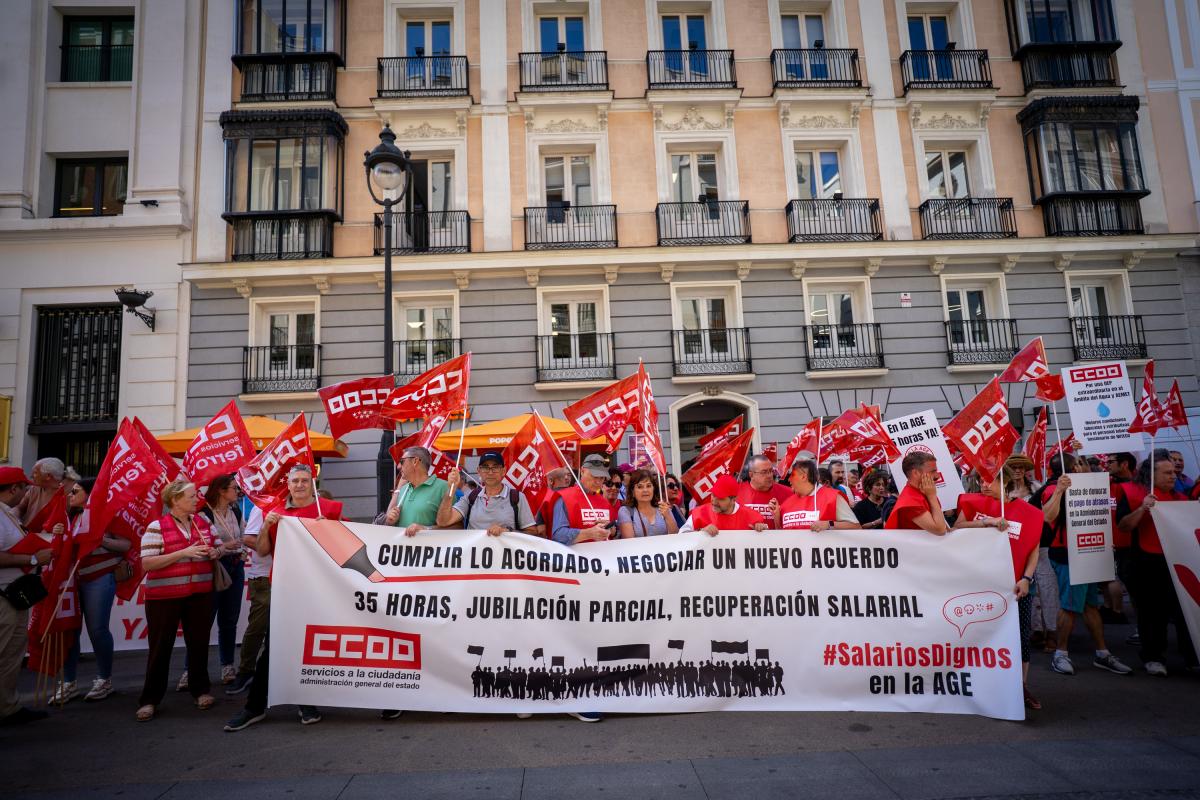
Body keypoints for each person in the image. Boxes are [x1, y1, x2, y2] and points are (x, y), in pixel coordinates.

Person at [225, 464, 341, 731]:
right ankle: (255, 706)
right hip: (286, 588)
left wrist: (330, 529)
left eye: (304, 481)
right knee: (274, 647)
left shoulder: (329, 509)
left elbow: (344, 545)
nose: (299, 485)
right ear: (287, 485)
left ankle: (305, 702)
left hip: (319, 589)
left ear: (313, 483)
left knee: (310, 647)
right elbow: (262, 550)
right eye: (295, 481)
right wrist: (266, 526)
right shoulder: (275, 512)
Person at [953, 466, 1044, 710]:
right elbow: (956, 528)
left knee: (1020, 636)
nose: (983, 485)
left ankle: (1020, 686)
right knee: (978, 636)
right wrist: (988, 522)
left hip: (1015, 587)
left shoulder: (1030, 513)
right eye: (980, 480)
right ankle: (981, 684)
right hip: (979, 584)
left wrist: (1026, 578)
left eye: (989, 481)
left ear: (1005, 482)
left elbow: (1033, 550)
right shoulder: (971, 503)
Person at [1040, 454, 1132, 677]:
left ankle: (1102, 653)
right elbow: (1047, 516)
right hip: (1068, 555)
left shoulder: (1086, 486)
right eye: (1080, 464)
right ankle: (1060, 654)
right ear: (1071, 469)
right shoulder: (1053, 488)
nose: (1085, 466)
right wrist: (1060, 491)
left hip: (1090, 551)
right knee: (1070, 606)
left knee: (1091, 605)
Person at [136, 479, 220, 722]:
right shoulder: (157, 526)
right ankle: (150, 699)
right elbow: (147, 563)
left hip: (200, 593)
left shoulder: (203, 522)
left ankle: (200, 690)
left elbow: (218, 547)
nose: (197, 499)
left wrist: (216, 552)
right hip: (164, 597)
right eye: (191, 496)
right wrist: (183, 552)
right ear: (175, 500)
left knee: (199, 643)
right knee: (160, 647)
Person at [550, 453, 619, 723]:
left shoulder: (604, 501)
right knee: (575, 638)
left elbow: (611, 533)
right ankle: (574, 697)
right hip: (573, 578)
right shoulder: (565, 498)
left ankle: (593, 691)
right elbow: (557, 535)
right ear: (582, 472)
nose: (599, 481)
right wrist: (588, 533)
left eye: (603, 478)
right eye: (595, 476)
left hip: (600, 579)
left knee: (596, 639)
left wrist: (609, 532)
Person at [1116, 453, 1197, 676]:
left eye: (1174, 472)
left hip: (1178, 562)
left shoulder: (1181, 498)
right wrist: (1142, 509)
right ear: (1151, 475)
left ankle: (1192, 657)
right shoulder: (1132, 494)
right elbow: (1123, 526)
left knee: (1184, 612)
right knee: (1152, 613)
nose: (1174, 475)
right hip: (1145, 562)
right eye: (1167, 473)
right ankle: (1153, 657)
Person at [55, 478, 128, 703]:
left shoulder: (108, 514)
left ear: (89, 494)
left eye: (75, 491)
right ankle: (68, 682)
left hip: (99, 577)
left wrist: (101, 540)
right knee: (70, 630)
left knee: (97, 629)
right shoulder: (71, 516)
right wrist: (57, 532)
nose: (70, 495)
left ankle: (104, 679)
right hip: (71, 579)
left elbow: (125, 544)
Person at [0, 466, 51, 725]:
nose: (27, 493)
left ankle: (7, 707)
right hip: (3, 597)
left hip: (14, 595)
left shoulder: (7, 514)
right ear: (14, 489)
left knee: (12, 654)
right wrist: (32, 558)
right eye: (24, 488)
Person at [200, 475, 246, 686]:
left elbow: (244, 535)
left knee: (229, 619)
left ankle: (227, 665)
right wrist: (225, 547)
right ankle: (192, 669)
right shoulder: (205, 513)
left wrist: (242, 552)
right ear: (221, 490)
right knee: (204, 619)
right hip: (215, 567)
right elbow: (203, 546)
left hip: (235, 566)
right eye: (234, 488)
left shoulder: (236, 511)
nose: (238, 491)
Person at [436, 452, 537, 536]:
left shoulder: (516, 497)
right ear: (478, 471)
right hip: (474, 554)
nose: (490, 472)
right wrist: (451, 488)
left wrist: (508, 531)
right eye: (485, 467)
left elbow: (533, 533)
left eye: (495, 467)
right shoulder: (471, 497)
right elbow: (443, 521)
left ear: (503, 471)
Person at [227, 502, 268, 695]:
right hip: (265, 577)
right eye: (294, 484)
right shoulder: (264, 507)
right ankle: (245, 672)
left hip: (297, 576)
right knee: (257, 628)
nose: (299, 487)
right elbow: (249, 539)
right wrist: (277, 547)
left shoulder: (312, 506)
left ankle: (281, 675)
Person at [378, 446, 451, 536]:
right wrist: (390, 522)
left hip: (430, 545)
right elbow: (390, 525)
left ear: (415, 461)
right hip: (401, 545)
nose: (398, 466)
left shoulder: (444, 487)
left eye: (402, 461)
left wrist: (426, 529)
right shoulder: (403, 489)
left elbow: (457, 527)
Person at [780, 459, 859, 532]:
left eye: (792, 475)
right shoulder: (787, 503)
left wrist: (829, 524)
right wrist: (777, 517)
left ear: (803, 477)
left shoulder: (833, 497)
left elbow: (856, 526)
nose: (789, 479)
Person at [679, 475, 768, 535]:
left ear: (733, 500)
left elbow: (765, 544)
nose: (714, 501)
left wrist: (762, 530)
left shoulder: (752, 517)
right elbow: (681, 536)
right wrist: (701, 532)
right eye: (713, 495)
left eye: (720, 498)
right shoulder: (699, 513)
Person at [884, 452, 949, 534]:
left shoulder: (925, 491)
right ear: (915, 473)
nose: (937, 476)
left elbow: (944, 527)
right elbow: (940, 530)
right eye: (933, 471)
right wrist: (932, 497)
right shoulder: (909, 501)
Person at [617, 470, 679, 537]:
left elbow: (675, 536)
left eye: (649, 486)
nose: (645, 490)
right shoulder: (626, 511)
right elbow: (629, 540)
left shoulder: (663, 508)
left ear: (653, 489)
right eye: (640, 487)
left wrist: (668, 516)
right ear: (632, 492)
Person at [736, 455, 790, 529]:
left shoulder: (788, 493)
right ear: (751, 475)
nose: (769, 476)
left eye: (771, 471)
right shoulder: (736, 492)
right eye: (764, 472)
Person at [15, 457, 65, 528]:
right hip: (25, 532)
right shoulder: (34, 489)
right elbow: (20, 508)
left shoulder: (66, 494)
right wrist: (13, 516)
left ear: (48, 476)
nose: (31, 476)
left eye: (35, 473)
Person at [535, 467, 573, 538]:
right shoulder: (578, 494)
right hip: (579, 540)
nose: (567, 477)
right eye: (564, 475)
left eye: (569, 475)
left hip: (553, 542)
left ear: (551, 480)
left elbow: (541, 530)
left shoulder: (545, 498)